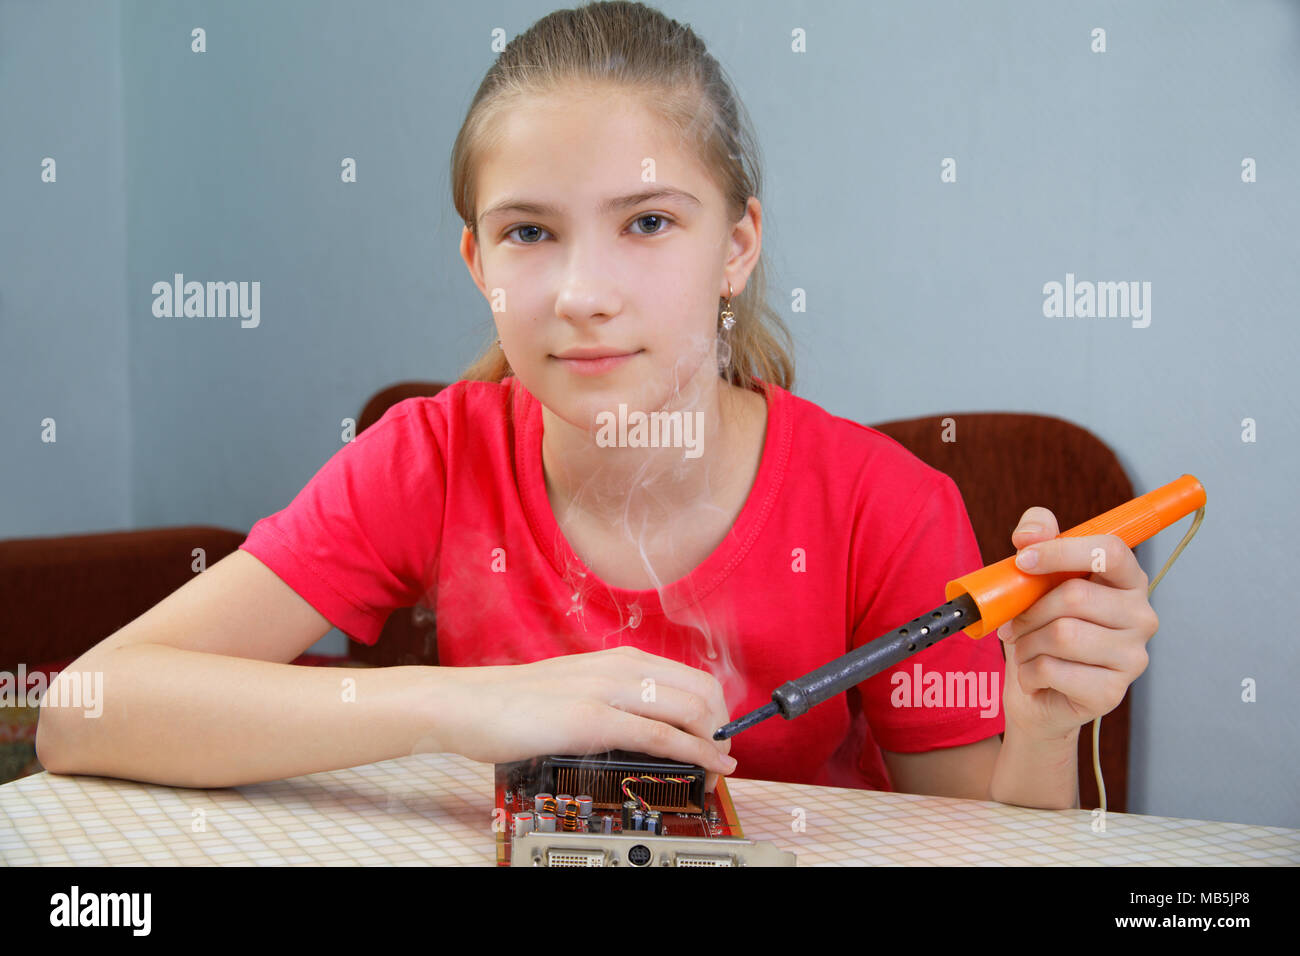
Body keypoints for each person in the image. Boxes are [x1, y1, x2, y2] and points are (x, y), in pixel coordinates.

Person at [36, 1, 1157, 810]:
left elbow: (980, 831)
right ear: (477, 259)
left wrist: (1049, 721)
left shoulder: (883, 504)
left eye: (650, 222)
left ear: (738, 246)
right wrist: (460, 706)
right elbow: (80, 709)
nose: (582, 293)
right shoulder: (428, 456)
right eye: (529, 231)